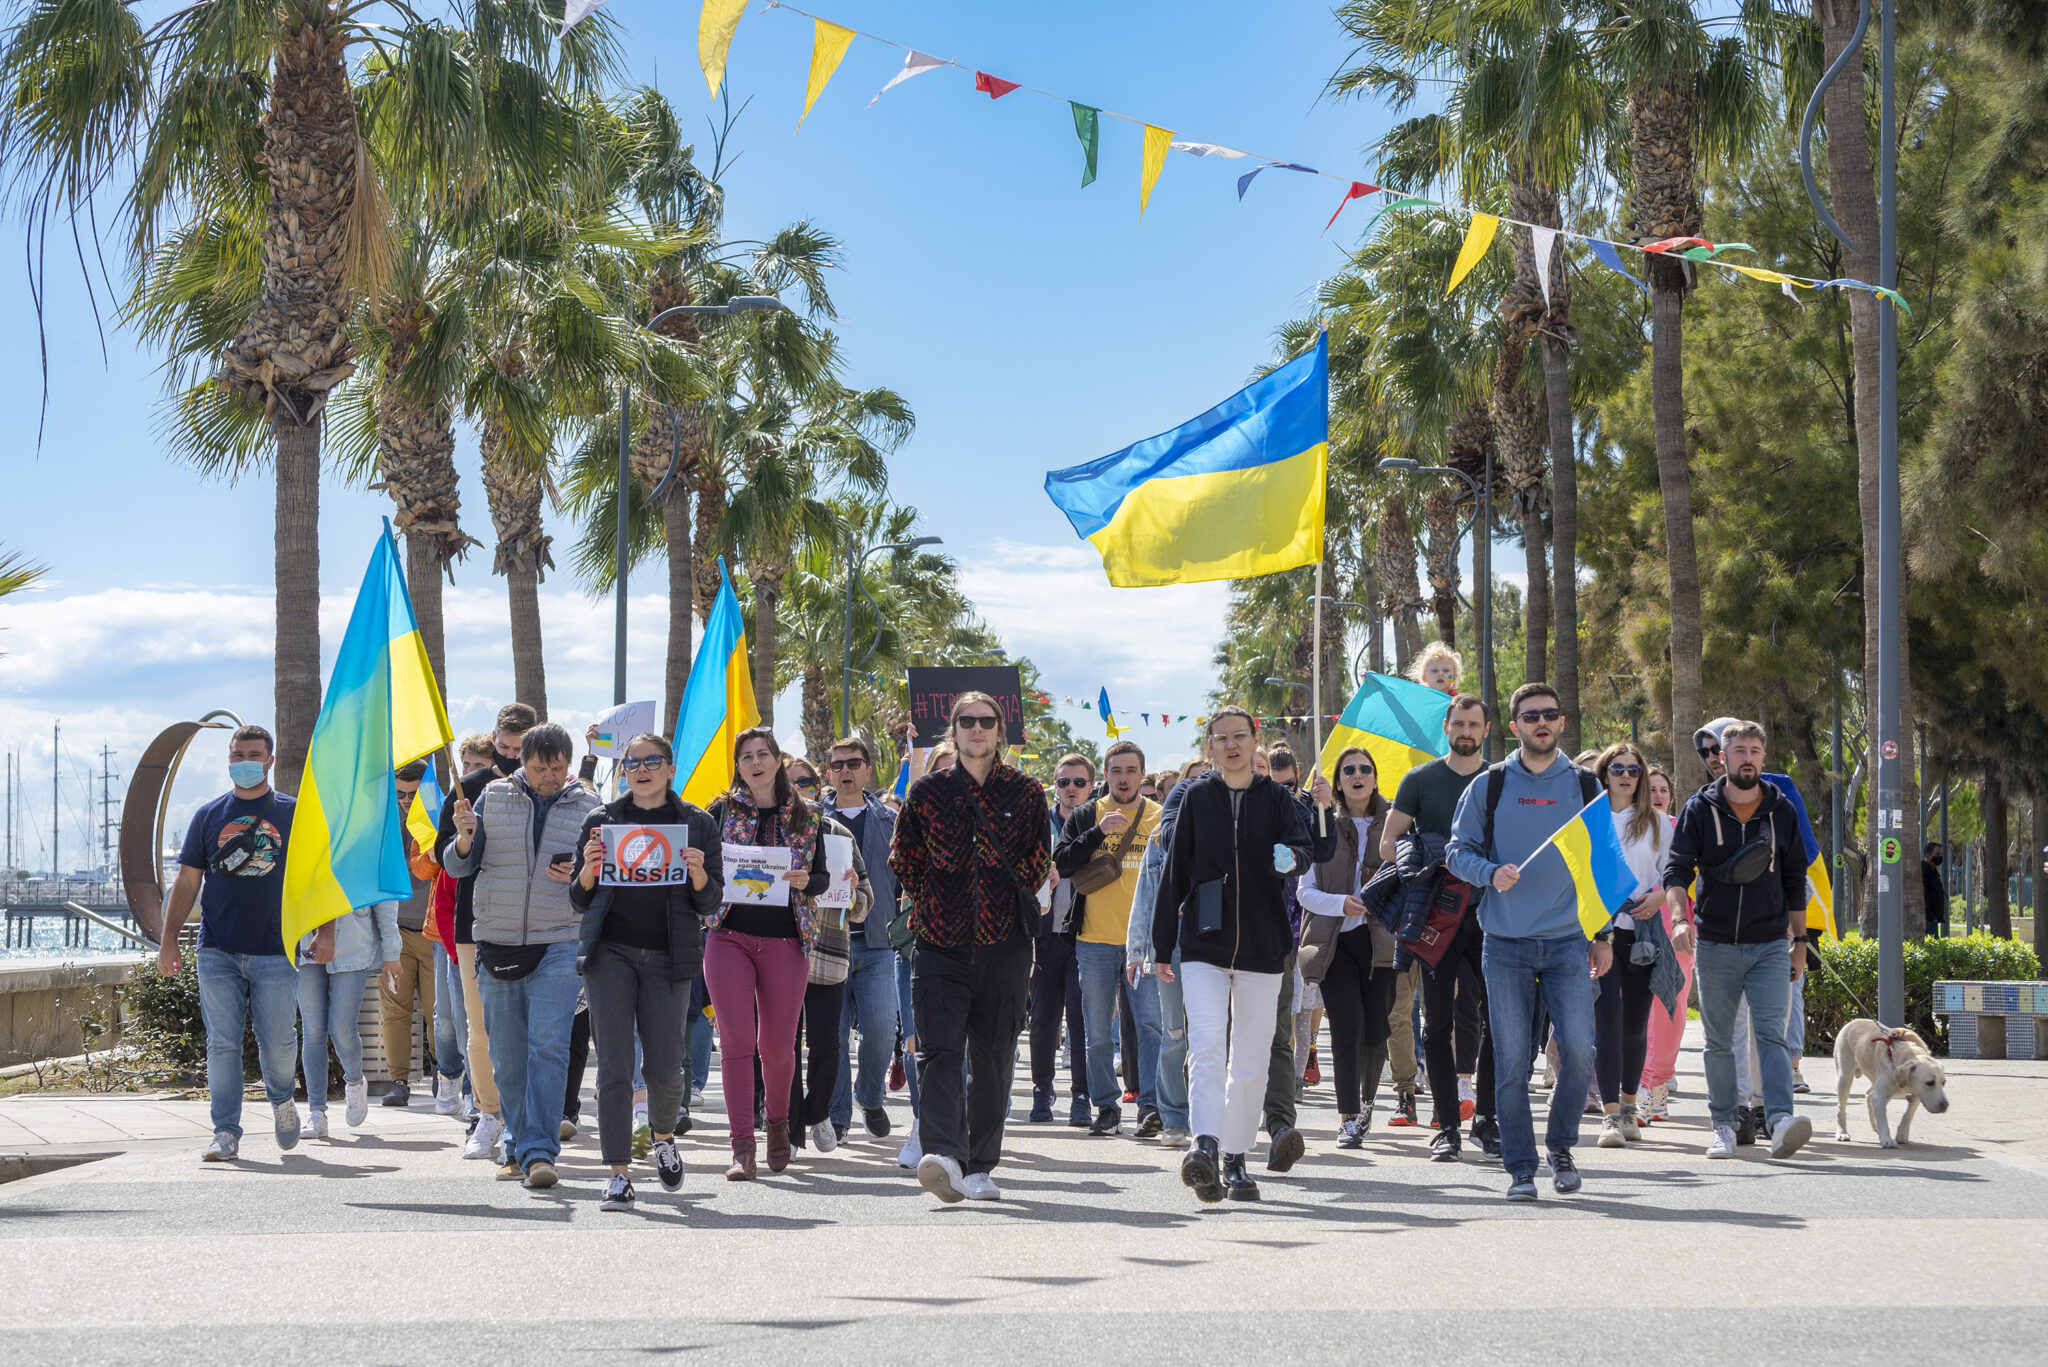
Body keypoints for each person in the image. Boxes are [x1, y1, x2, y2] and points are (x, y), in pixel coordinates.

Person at [891, 692, 1052, 1203]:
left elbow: (1038, 857)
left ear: (1000, 731)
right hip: (940, 942)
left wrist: (1002, 893)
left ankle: (980, 1165)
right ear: (954, 730)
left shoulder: (1026, 791)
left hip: (1006, 944)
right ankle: (944, 1155)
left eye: (986, 721)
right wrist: (934, 898)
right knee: (938, 1051)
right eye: (967, 721)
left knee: (993, 1057)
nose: (976, 728)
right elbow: (903, 855)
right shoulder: (928, 791)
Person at [1446, 683, 1603, 1200]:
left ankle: (1560, 1147)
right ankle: (1520, 1167)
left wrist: (1601, 934)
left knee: (1579, 1051)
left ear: (1561, 722)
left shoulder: (1585, 785)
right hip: (1505, 943)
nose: (1541, 722)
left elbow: (1603, 867)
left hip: (1568, 942)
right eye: (1530, 716)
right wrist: (1489, 873)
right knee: (1512, 1061)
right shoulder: (1490, 785)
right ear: (1514, 726)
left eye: (1549, 714)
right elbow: (1456, 852)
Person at [1156, 707, 1313, 1203]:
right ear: (1210, 746)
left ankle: (1235, 1154)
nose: (1231, 745)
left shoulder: (1278, 799)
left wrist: (1293, 858)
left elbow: (1306, 847)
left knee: (1250, 1057)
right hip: (1204, 944)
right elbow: (1175, 870)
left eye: (1239, 736)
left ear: (1254, 740)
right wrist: (1161, 944)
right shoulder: (1197, 797)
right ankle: (1203, 1145)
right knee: (1206, 1045)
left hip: (1264, 948)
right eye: (1221, 738)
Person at [444, 722, 601, 1190]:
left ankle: (538, 1151)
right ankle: (516, 1140)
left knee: (548, 1047)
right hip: (498, 939)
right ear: (522, 763)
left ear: (568, 764)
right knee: (507, 1057)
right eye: (539, 768)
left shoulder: (590, 807)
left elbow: (603, 878)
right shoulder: (492, 797)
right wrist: (464, 838)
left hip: (560, 940)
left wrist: (582, 874)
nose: (549, 776)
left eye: (557, 767)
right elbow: (459, 864)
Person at [569, 732, 721, 1212]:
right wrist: (588, 870)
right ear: (623, 772)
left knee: (664, 1068)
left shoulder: (697, 824)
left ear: (671, 770)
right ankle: (618, 1174)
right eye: (632, 763)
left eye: (652, 761)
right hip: (609, 955)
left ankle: (662, 1136)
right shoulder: (601, 821)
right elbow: (578, 897)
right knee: (614, 1067)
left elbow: (712, 901)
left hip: (670, 959)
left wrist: (699, 874)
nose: (641, 770)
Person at [1662, 720, 1815, 1162]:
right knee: (1719, 1041)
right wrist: (1679, 920)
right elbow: (1676, 871)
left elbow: (1794, 879)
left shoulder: (1781, 810)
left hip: (1770, 943)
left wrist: (1800, 942)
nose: (1747, 758)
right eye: (1739, 751)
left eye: (1754, 751)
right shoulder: (1699, 808)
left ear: (1763, 758)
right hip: (1715, 944)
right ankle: (1725, 1125)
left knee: (1772, 1036)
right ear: (1722, 758)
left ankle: (1780, 1120)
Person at [156, 724, 303, 1161]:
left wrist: (327, 932)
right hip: (217, 948)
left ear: (270, 761)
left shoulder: (293, 814)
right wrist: (168, 941)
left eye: (253, 755)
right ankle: (225, 1131)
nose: (244, 763)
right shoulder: (208, 816)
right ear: (228, 759)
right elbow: (187, 882)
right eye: (237, 755)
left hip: (276, 949)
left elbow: (315, 878)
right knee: (222, 1043)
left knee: (278, 1042)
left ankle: (282, 1099)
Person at [703, 729, 831, 1179]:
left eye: (763, 754)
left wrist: (806, 881)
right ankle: (742, 1146)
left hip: (786, 941)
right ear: (737, 766)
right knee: (736, 1042)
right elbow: (703, 872)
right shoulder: (719, 811)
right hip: (728, 937)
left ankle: (777, 1125)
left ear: (778, 760)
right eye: (746, 757)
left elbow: (822, 878)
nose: (755, 762)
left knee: (776, 1049)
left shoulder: (809, 814)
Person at [1380, 693, 1500, 1160]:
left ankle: (1486, 1120)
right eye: (1459, 724)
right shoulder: (1420, 779)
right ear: (1446, 727)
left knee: (1497, 1021)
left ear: (1486, 729)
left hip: (1493, 915)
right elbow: (1388, 844)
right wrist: (1424, 854)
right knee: (1436, 1023)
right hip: (1438, 917)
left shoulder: (1500, 779)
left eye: (1474, 724)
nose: (1466, 731)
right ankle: (1447, 1125)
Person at [437, 705, 536, 1162]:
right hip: (474, 925)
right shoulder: (467, 788)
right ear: (493, 738)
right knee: (478, 1032)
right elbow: (446, 858)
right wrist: (463, 838)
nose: (510, 756)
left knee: (531, 1034)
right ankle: (488, 1114)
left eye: (519, 749)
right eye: (504, 747)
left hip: (533, 925)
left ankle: (526, 1118)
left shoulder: (549, 787)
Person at [1054, 739, 1162, 1137]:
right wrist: (1098, 833)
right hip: (1094, 940)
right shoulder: (1087, 814)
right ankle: (1106, 1107)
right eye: (1116, 771)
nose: (1123, 778)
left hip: (1143, 944)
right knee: (1097, 1031)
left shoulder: (1160, 817)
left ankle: (1150, 1107)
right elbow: (1062, 862)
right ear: (1105, 775)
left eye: (1131, 771)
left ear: (1142, 774)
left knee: (1150, 1026)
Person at [1297, 747, 1395, 1149]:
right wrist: (1341, 903)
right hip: (1334, 942)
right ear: (1337, 781)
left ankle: (1367, 1103)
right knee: (1346, 1028)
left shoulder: (1395, 822)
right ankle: (1348, 1116)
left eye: (1365, 769)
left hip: (1381, 942)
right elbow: (1304, 892)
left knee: (1375, 1032)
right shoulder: (1322, 824)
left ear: (1375, 778)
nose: (1357, 775)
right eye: (1349, 769)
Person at [785, 753, 871, 1154]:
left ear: (817, 788)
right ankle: (791, 1127)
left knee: (826, 1043)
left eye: (805, 783)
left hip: (828, 955)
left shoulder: (838, 835)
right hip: (781, 953)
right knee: (783, 1045)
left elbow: (864, 905)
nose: (798, 791)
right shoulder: (771, 833)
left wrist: (851, 889)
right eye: (790, 784)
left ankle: (817, 1110)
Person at [1588, 742, 1670, 1148]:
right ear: (1604, 773)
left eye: (1634, 770)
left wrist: (1660, 897)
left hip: (1643, 933)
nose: (1625, 776)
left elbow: (1675, 872)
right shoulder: (1590, 819)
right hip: (1599, 932)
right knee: (1607, 1021)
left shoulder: (1659, 823)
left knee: (1636, 1025)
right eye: (1617, 768)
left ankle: (1629, 1107)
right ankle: (1609, 1116)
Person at [822, 736, 902, 1144]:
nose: (845, 771)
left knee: (882, 1030)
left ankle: (869, 1098)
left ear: (868, 770)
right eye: (837, 765)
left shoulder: (892, 820)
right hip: (826, 943)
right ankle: (839, 1116)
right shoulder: (810, 821)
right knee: (833, 1037)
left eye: (853, 763)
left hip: (878, 943)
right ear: (829, 772)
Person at [298, 891, 400, 1141]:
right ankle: (317, 1111)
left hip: (353, 944)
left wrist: (392, 953)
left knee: (343, 1029)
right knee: (313, 1031)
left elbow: (384, 897)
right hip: (305, 942)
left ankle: (355, 1082)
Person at [1030, 753, 1094, 1127]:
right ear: (1054, 785)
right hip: (1043, 936)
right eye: (1063, 782)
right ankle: (1042, 1090)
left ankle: (1081, 1096)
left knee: (1080, 1020)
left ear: (1091, 785)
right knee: (1042, 1021)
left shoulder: (1100, 821)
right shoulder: (1039, 822)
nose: (1071, 788)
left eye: (1079, 782)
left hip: (1085, 935)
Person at [379, 760, 438, 1109]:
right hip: (395, 934)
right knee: (395, 1011)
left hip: (432, 934)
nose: (405, 800)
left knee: (438, 1013)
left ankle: (443, 1073)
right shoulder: (385, 824)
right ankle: (398, 1080)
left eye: (412, 794)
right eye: (400, 793)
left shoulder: (438, 821)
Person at [1639, 766, 1695, 1123]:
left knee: (1671, 1012)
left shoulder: (1682, 830)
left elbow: (1692, 877)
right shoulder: (1628, 830)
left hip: (1677, 934)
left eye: (1664, 790)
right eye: (1652, 789)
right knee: (1638, 1014)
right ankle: (1641, 1086)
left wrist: (1663, 896)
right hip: (1635, 933)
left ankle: (1657, 1084)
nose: (1659, 795)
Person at [1922, 843, 1950, 939]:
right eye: (1937, 854)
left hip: (1933, 917)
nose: (1939, 857)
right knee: (1932, 943)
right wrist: (1931, 916)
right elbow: (1924, 894)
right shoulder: (1924, 870)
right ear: (1928, 855)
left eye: (1940, 854)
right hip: (1929, 918)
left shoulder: (1933, 870)